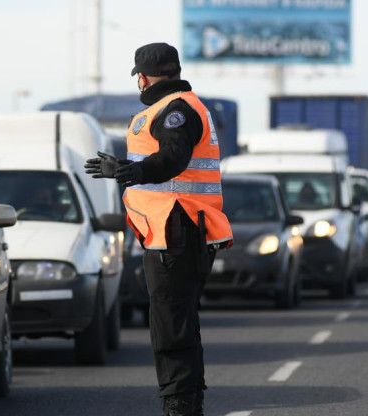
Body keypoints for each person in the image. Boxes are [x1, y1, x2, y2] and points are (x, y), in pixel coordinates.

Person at [84, 42, 233, 416]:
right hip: (177, 230)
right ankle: (187, 404)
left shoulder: (177, 110)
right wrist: (125, 167)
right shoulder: (178, 106)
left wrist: (133, 171)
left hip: (176, 229)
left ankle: (179, 407)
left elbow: (173, 157)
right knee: (179, 322)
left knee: (169, 326)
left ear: (144, 77)